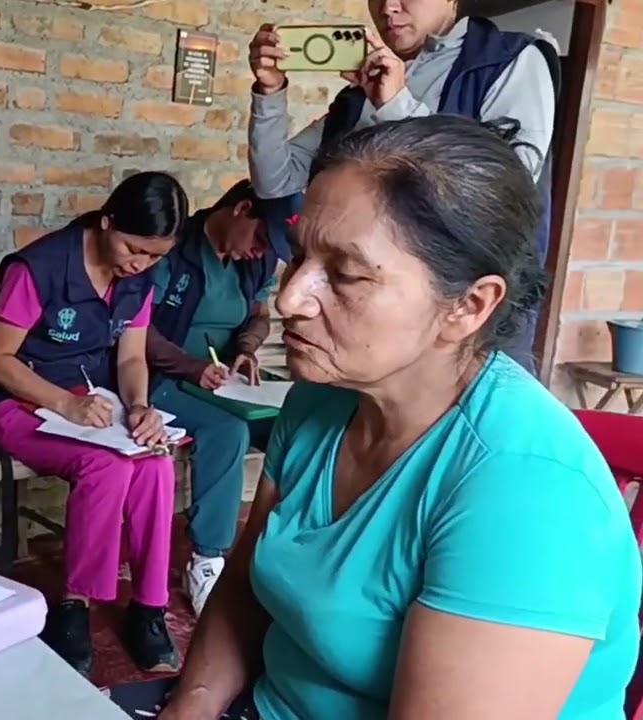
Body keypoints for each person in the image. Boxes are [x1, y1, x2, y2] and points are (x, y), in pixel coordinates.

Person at [160, 115, 642, 720]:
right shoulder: (322, 397)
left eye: (346, 274)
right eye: (300, 255)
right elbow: (244, 590)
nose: (289, 299)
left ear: (467, 306)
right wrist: (193, 705)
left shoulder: (527, 491)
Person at [246, 0, 560, 371]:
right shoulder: (360, 95)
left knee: (460, 424)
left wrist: (396, 104)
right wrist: (270, 92)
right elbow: (274, 180)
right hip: (359, 321)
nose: (388, 7)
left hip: (461, 325)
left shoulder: (511, 60)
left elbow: (508, 191)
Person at [0, 171, 187, 678]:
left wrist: (139, 407)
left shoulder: (139, 280)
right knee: (108, 467)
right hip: (19, 404)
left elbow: (132, 359)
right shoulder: (42, 267)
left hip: (92, 407)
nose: (140, 264)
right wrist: (63, 405)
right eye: (134, 248)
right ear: (106, 221)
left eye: (155, 256)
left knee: (156, 461)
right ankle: (74, 607)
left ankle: (148, 607)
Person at [145, 179, 300, 617]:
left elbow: (259, 314)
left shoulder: (254, 262)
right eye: (260, 238)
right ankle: (207, 560)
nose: (260, 253)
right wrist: (193, 368)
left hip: (226, 377)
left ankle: (291, 548)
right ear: (241, 209)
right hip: (163, 378)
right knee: (226, 430)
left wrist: (247, 349)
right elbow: (137, 329)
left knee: (297, 422)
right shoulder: (174, 251)